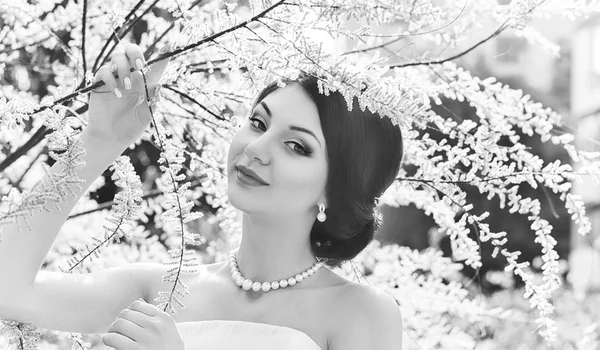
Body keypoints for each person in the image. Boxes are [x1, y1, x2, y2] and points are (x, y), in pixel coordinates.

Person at [0, 43, 404, 349]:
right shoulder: (159, 288)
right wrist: (100, 140)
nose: (257, 148)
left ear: (336, 190)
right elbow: (8, 290)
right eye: (258, 122)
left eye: (297, 146)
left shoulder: (361, 312)